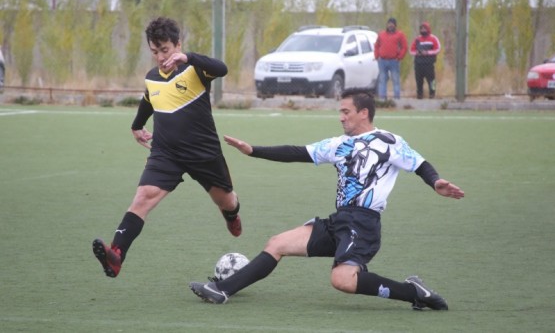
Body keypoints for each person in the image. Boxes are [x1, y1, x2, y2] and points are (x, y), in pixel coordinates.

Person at [189, 88, 464, 310]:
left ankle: (412, 291)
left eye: (346, 112)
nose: (341, 117)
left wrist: (435, 181)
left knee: (341, 280)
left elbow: (419, 163)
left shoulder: (388, 141)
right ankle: (221, 290)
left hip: (364, 223)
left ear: (364, 112)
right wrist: (253, 151)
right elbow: (297, 152)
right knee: (278, 243)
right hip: (340, 221)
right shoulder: (337, 144)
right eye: (340, 112)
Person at [92, 17, 242, 278]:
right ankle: (116, 255)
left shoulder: (195, 69)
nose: (160, 57)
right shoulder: (151, 77)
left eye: (165, 50)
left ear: (177, 45)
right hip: (166, 153)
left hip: (203, 153)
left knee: (226, 201)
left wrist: (189, 58)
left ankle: (231, 216)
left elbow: (223, 68)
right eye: (155, 51)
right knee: (143, 197)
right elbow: (149, 99)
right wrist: (137, 125)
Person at [374, 18, 408, 100]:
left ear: (395, 25)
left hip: (394, 61)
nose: (390, 25)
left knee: (395, 80)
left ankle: (396, 100)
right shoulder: (381, 34)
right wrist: (377, 56)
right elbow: (376, 45)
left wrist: (400, 57)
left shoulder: (400, 35)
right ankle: (382, 100)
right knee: (382, 80)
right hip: (382, 61)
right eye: (389, 24)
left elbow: (404, 47)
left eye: (392, 24)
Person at [410, 22, 441, 99]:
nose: (423, 30)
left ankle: (432, 93)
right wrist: (417, 53)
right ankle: (420, 94)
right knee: (419, 80)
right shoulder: (417, 39)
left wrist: (427, 53)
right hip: (419, 63)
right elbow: (411, 50)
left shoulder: (433, 38)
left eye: (424, 28)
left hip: (429, 63)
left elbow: (438, 49)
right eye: (421, 29)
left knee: (431, 80)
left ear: (428, 29)